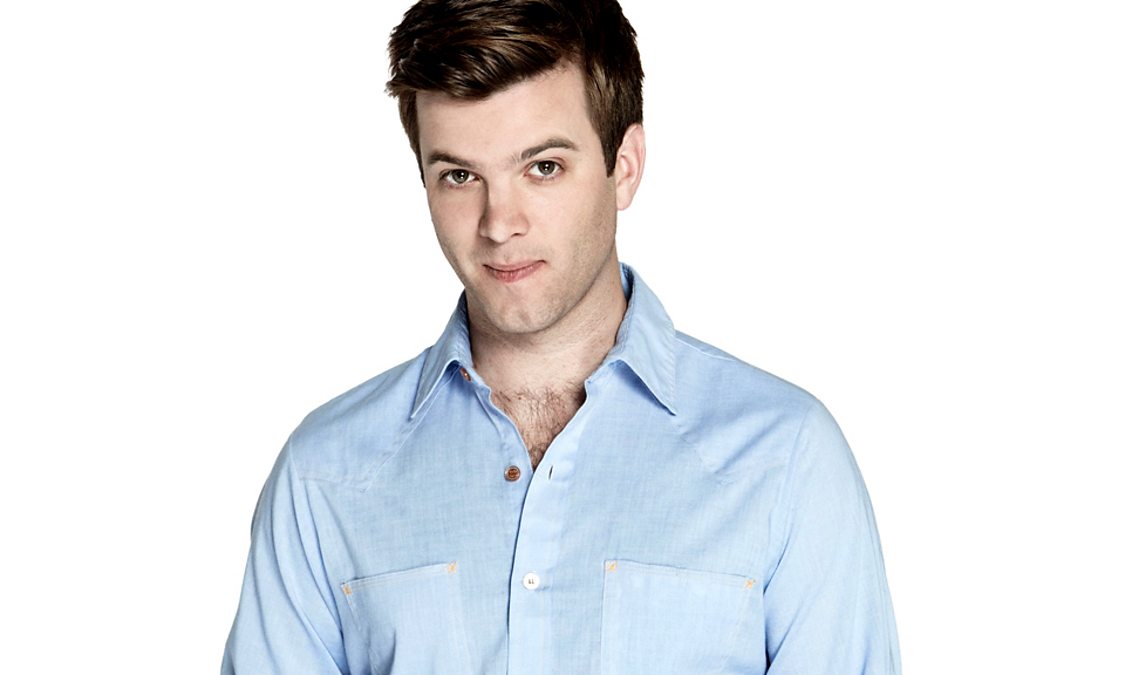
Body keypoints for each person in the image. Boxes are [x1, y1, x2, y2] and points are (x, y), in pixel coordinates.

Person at [221, 1, 901, 673]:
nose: (499, 223)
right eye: (459, 176)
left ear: (624, 165)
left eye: (542, 166)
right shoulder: (327, 475)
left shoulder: (782, 460)